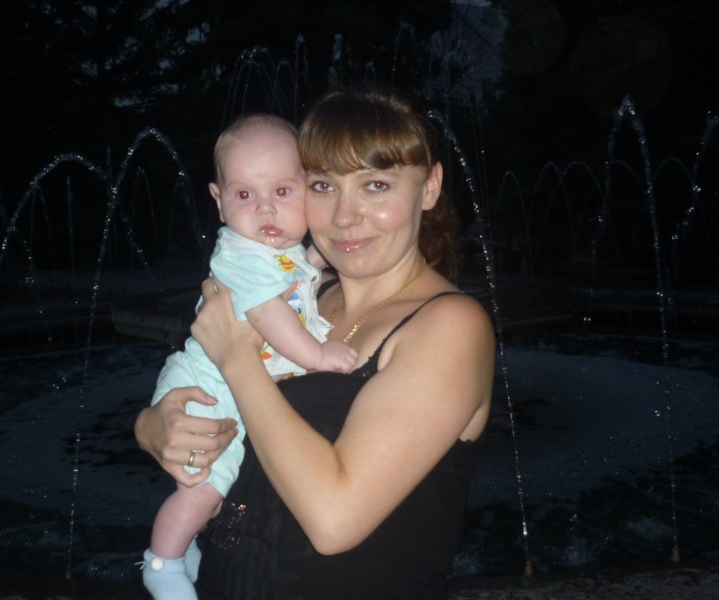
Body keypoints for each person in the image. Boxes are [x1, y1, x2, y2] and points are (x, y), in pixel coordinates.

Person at [135, 86, 495, 599]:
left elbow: (334, 521)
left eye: (376, 185)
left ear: (430, 186)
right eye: (324, 186)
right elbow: (210, 394)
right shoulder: (303, 296)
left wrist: (237, 357)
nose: (345, 216)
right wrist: (153, 427)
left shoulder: (448, 326)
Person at [140, 113, 358, 600]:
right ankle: (161, 563)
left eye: (281, 191)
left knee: (215, 491)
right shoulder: (240, 255)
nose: (265, 209)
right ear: (218, 201)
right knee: (205, 489)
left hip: (226, 380)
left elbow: (296, 277)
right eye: (244, 194)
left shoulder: (276, 251)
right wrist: (318, 355)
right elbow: (268, 314)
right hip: (208, 386)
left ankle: (183, 546)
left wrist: (316, 259)